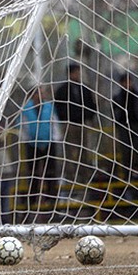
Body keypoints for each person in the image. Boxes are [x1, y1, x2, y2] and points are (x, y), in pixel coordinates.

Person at [53, 63, 97, 193]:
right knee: (70, 152)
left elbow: (92, 105)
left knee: (84, 151)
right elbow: (58, 106)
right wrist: (65, 119)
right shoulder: (62, 90)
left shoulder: (84, 89)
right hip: (69, 125)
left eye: (78, 72)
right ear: (70, 74)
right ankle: (71, 177)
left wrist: (87, 117)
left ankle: (84, 176)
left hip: (82, 124)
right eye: (75, 72)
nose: (77, 75)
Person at [19, 86, 60, 217]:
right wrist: (25, 141)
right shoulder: (26, 109)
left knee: (51, 174)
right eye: (40, 93)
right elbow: (23, 126)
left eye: (43, 92)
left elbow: (54, 123)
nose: (42, 95)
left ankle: (53, 205)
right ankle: (30, 206)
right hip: (32, 144)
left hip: (48, 143)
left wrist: (56, 139)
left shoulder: (49, 107)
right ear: (33, 95)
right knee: (33, 176)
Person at [112, 72, 138, 181]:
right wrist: (118, 122)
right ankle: (127, 176)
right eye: (125, 82)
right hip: (124, 126)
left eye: (129, 81)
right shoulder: (118, 97)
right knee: (126, 152)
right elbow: (114, 111)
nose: (127, 84)